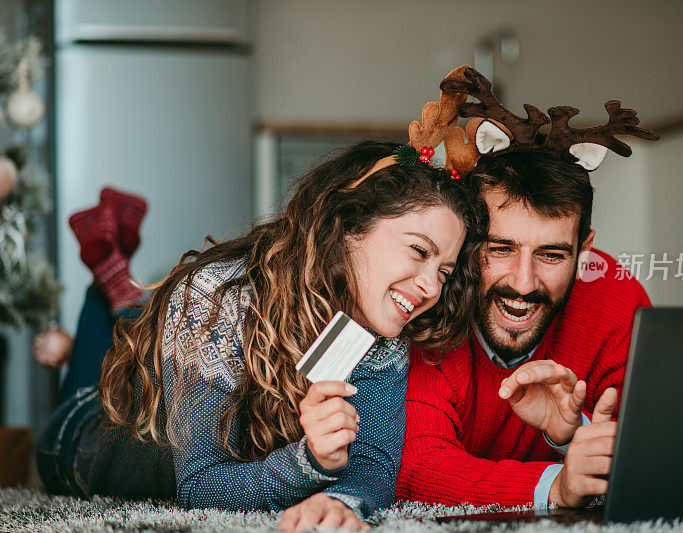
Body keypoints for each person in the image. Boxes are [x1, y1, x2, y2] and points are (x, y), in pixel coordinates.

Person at [36, 139, 486, 532]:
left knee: (134, 325)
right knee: (115, 344)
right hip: (78, 437)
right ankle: (108, 288)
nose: (431, 286)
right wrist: (306, 463)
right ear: (349, 227)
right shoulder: (214, 299)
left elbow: (372, 463)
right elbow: (201, 487)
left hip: (158, 373)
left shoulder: (384, 328)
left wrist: (341, 501)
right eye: (418, 251)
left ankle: (115, 283)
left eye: (444, 271)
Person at [395, 67, 658, 509]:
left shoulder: (615, 297)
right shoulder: (426, 303)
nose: (523, 283)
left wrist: (572, 437)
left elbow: (656, 454)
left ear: (584, 250)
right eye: (500, 248)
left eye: (552, 255)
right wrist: (556, 487)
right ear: (464, 239)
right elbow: (416, 467)